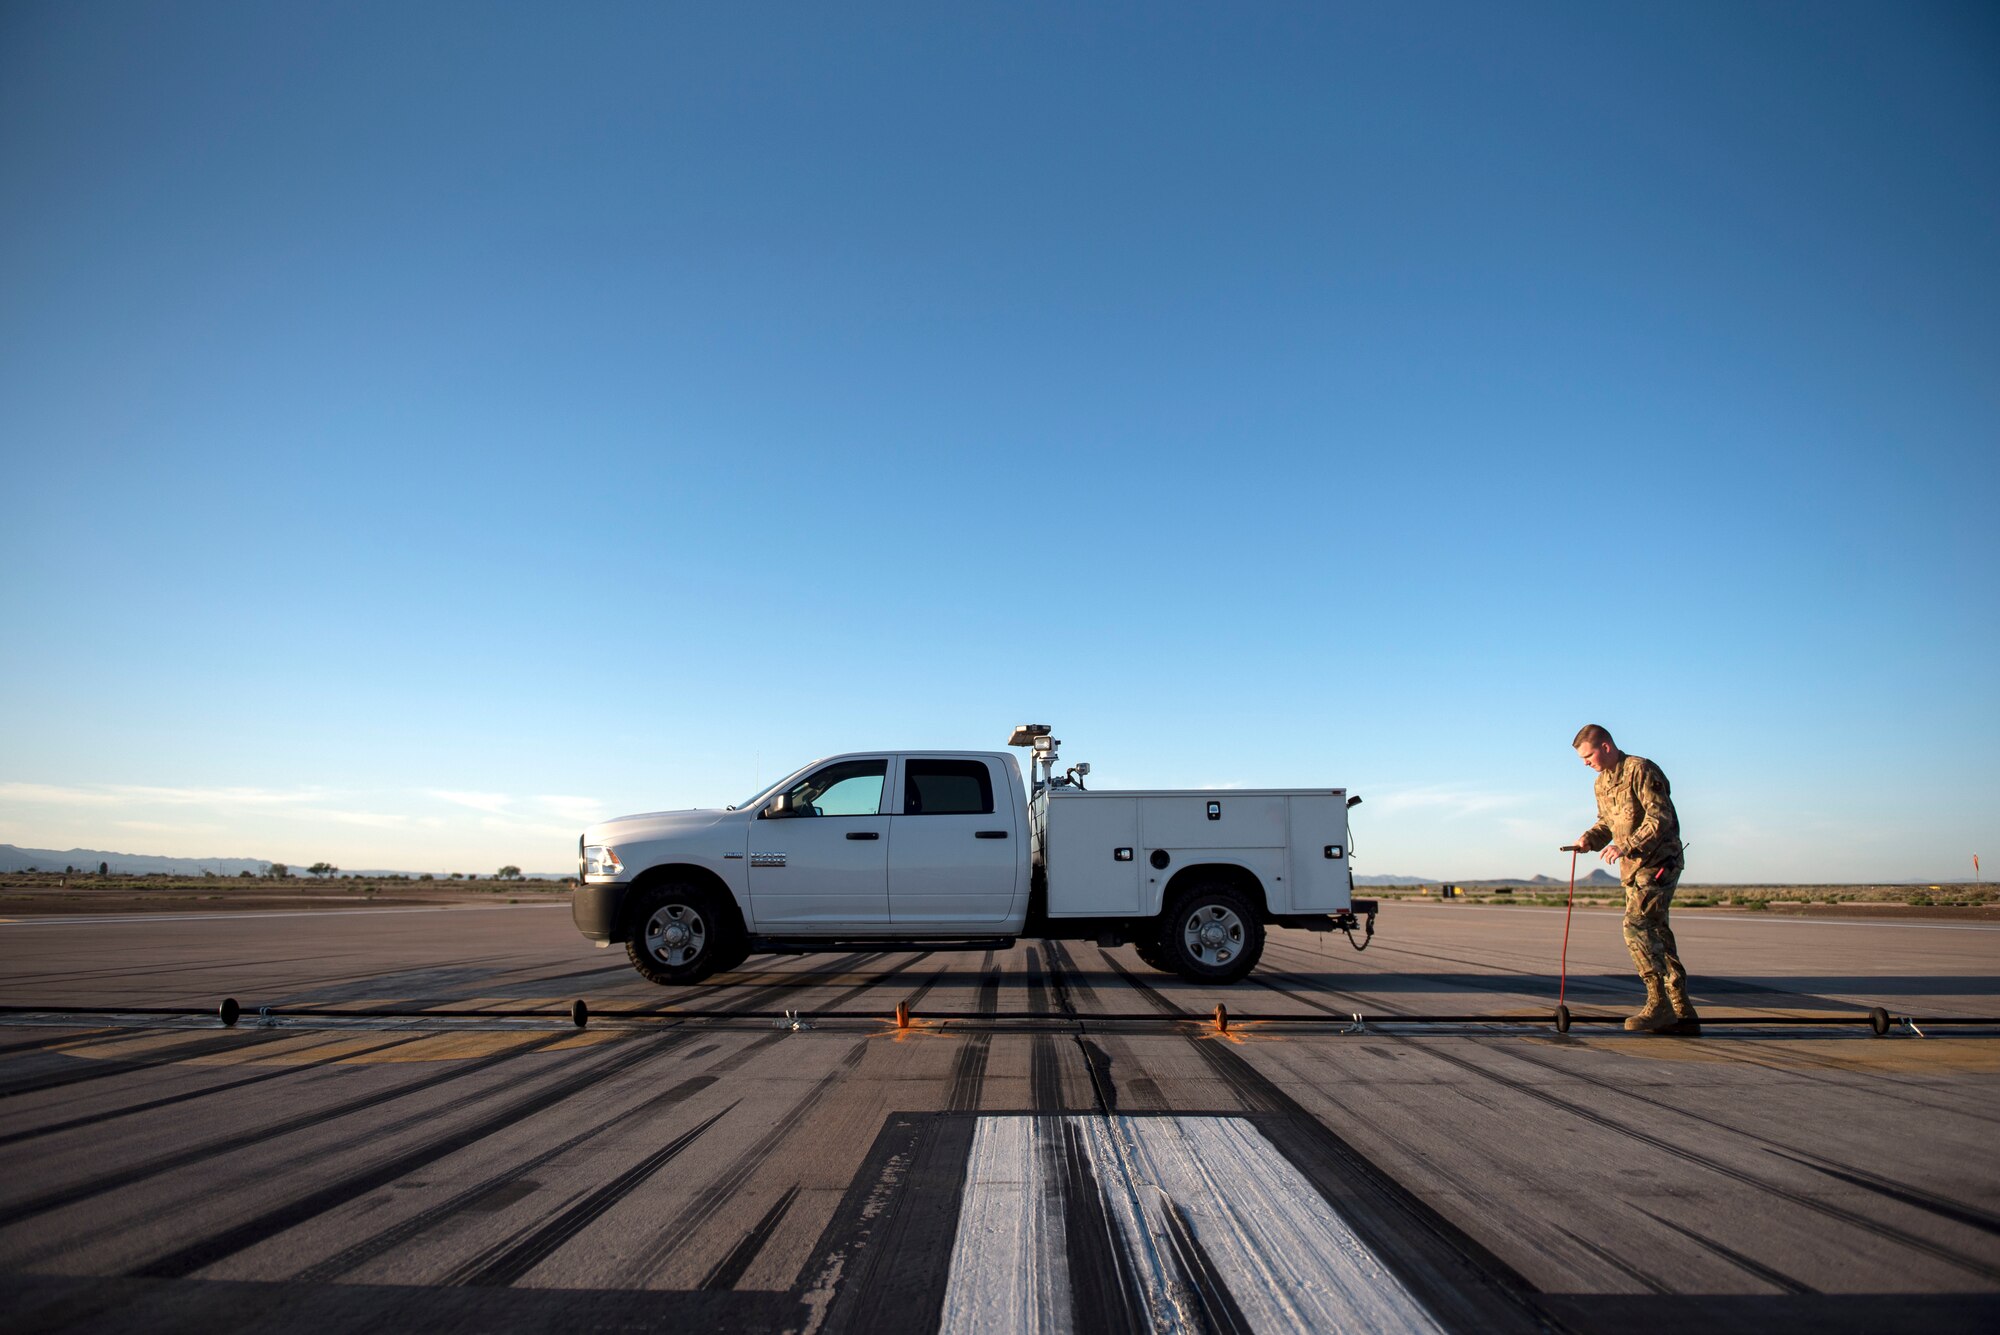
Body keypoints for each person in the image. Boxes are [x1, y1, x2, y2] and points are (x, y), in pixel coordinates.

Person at [1567, 725, 1698, 1035]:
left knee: (1636, 926)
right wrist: (1589, 839)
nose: (1586, 763)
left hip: (1659, 862)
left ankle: (1659, 1005)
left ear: (1606, 747)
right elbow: (1607, 823)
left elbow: (1659, 817)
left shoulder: (1641, 770)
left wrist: (1625, 845)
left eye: (1588, 756)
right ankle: (1681, 1008)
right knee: (1656, 931)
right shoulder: (1602, 783)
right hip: (1634, 870)